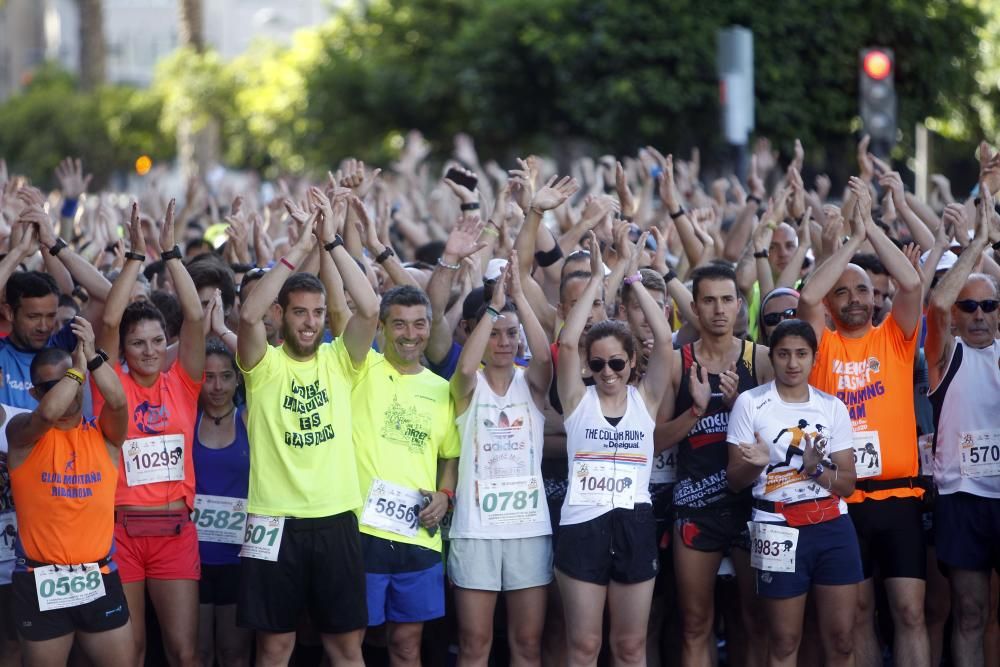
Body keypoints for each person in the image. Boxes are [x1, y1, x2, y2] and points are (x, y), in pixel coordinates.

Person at [236, 203, 378, 666]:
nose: (311, 322)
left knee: (345, 647)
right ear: (283, 314)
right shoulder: (264, 364)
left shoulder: (341, 360)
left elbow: (371, 306)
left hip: (336, 518)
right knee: (275, 648)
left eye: (318, 312)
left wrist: (332, 241)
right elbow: (249, 315)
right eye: (300, 312)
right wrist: (299, 245)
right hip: (272, 522)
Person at [799, 177, 929, 666]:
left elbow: (913, 283)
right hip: (840, 499)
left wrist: (871, 226)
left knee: (910, 612)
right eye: (844, 292)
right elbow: (807, 299)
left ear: (876, 298)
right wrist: (851, 242)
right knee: (855, 615)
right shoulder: (823, 344)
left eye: (863, 290)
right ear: (833, 304)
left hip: (898, 497)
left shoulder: (894, 338)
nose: (855, 298)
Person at [95, 201, 206, 667]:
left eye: (157, 341)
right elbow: (107, 321)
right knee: (132, 653)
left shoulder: (182, 381)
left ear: (168, 343)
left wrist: (172, 253)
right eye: (137, 343)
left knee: (183, 652)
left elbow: (197, 319)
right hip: (121, 532)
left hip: (175, 533)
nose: (148, 351)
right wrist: (135, 259)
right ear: (123, 350)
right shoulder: (111, 386)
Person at [555, 231, 672, 667]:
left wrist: (634, 277)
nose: (608, 372)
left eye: (617, 363)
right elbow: (568, 343)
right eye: (599, 364)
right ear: (588, 365)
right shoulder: (575, 401)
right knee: (584, 649)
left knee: (630, 649)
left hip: (634, 523)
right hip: (583, 525)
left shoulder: (647, 400)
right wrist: (595, 285)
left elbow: (664, 341)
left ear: (631, 364)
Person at [726, 319, 862, 666]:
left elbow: (847, 484)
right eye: (784, 354)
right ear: (772, 357)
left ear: (814, 358)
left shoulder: (832, 407)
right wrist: (756, 464)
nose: (792, 363)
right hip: (775, 524)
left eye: (801, 354)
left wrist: (814, 468)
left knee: (843, 640)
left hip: (832, 526)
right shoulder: (750, 403)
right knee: (784, 641)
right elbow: (734, 480)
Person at [659, 263, 772, 667]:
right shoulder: (677, 362)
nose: (719, 309)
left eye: (727, 300)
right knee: (694, 624)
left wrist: (744, 401)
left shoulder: (759, 359)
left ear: (740, 306)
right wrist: (695, 409)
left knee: (756, 622)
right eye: (709, 300)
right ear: (694, 306)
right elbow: (654, 441)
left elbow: (778, 435)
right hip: (695, 506)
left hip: (752, 506)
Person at [6, 317, 134, 665]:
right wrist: (76, 371)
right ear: (33, 392)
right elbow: (47, 414)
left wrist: (92, 359)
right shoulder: (22, 432)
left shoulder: (102, 435)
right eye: (53, 384)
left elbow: (120, 404)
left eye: (72, 381)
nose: (67, 390)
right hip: (40, 580)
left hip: (98, 575)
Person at [448, 254, 553, 666]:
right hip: (476, 532)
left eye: (512, 334)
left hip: (528, 529)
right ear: (479, 333)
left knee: (527, 645)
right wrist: (493, 306)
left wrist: (517, 298)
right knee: (475, 645)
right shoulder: (466, 387)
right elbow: (465, 366)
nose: (506, 342)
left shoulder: (533, 385)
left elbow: (545, 358)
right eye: (495, 334)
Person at [351, 282, 460, 667]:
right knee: (350, 643)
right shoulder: (360, 368)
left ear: (430, 328)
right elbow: (339, 311)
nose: (409, 335)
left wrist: (445, 495)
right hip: (362, 532)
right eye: (398, 325)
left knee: (406, 646)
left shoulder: (441, 389)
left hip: (418, 534)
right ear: (381, 327)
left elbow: (450, 456)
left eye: (418, 325)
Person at [925, 189, 1000, 667]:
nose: (978, 316)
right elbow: (936, 303)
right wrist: (976, 243)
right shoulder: (943, 355)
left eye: (989, 306)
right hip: (961, 497)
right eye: (969, 307)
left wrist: (986, 241)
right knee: (969, 612)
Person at [193, 342, 252, 667]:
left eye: (225, 376)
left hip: (238, 557)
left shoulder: (251, 420)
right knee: (198, 654)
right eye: (208, 376)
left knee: (235, 653)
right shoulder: (186, 419)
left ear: (238, 380)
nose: (217, 387)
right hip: (193, 558)